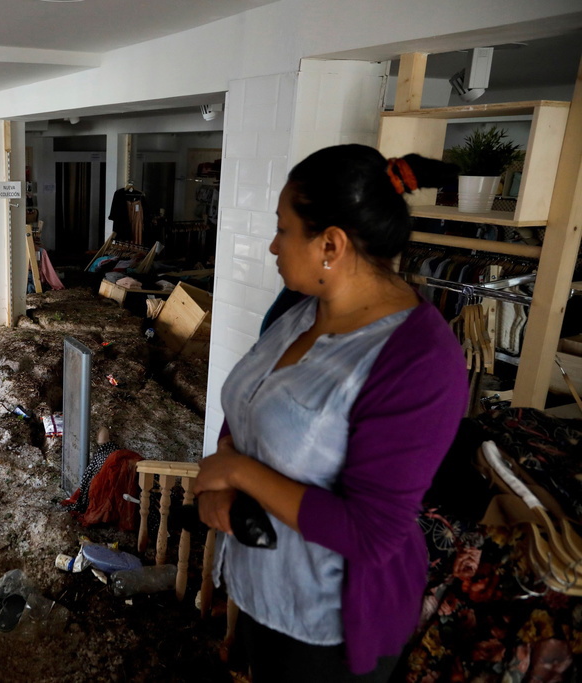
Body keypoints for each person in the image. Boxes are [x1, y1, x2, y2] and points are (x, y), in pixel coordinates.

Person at [193, 144, 469, 682]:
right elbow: (251, 402)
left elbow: (372, 532)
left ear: (331, 244)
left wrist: (236, 472)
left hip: (327, 631)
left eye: (283, 229)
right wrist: (223, 480)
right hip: (258, 588)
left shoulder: (419, 361)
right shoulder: (297, 308)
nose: (273, 245)